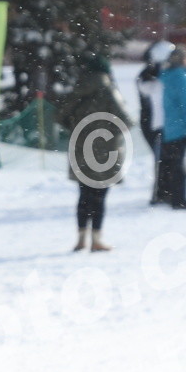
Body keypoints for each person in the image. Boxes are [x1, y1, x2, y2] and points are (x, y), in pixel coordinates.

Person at [57, 54, 129, 252]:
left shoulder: (78, 90)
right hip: (105, 151)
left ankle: (81, 238)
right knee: (100, 195)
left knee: (84, 194)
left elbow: (60, 115)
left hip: (80, 147)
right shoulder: (108, 91)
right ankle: (96, 239)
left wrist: (76, 128)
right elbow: (125, 120)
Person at [158, 45, 186, 210]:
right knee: (182, 166)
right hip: (182, 128)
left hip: (171, 127)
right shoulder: (182, 79)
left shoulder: (168, 78)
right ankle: (180, 199)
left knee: (174, 165)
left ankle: (174, 196)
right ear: (183, 60)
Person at [136, 40, 173, 205]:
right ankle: (159, 193)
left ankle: (166, 190)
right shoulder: (148, 75)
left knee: (166, 157)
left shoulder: (155, 73)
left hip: (157, 122)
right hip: (152, 123)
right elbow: (151, 93)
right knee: (161, 158)